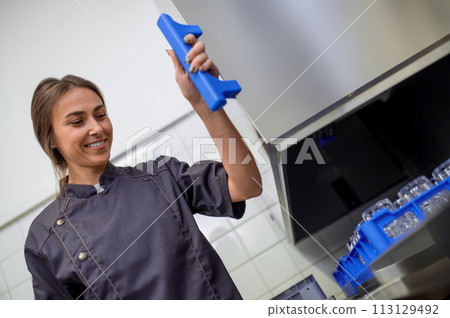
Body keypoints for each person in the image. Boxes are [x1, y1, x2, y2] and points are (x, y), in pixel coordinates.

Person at [24, 34, 262, 300]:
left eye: (101, 115)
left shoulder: (160, 176)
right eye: (78, 122)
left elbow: (247, 185)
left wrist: (203, 103)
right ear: (51, 139)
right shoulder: (46, 238)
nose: (97, 128)